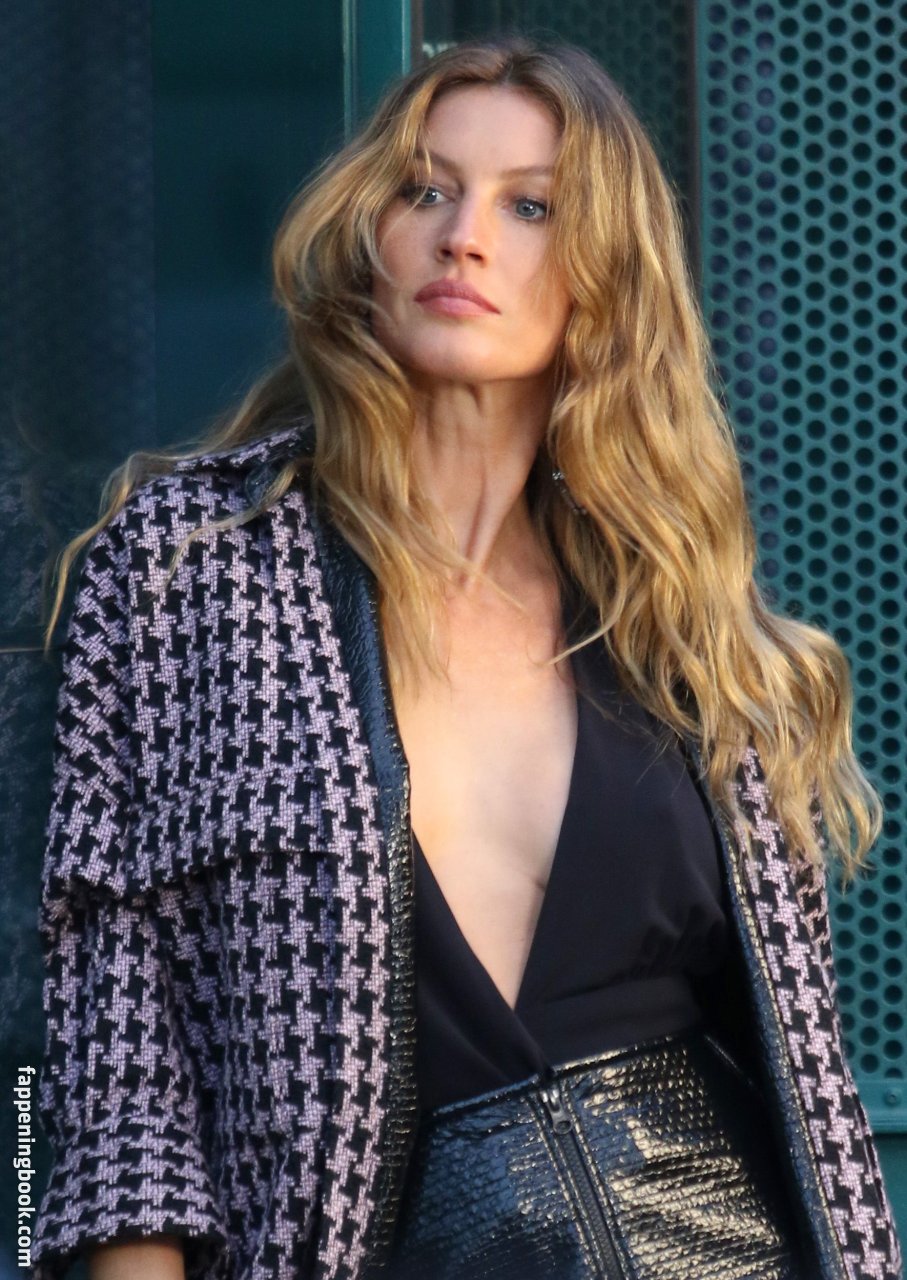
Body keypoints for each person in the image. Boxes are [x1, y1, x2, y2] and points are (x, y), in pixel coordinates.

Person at [31, 36, 900, 1280]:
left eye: (529, 205)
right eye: (426, 190)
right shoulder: (188, 568)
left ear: (604, 274)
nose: (464, 238)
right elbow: (116, 1064)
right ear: (366, 236)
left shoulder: (679, 614)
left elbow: (801, 1067)